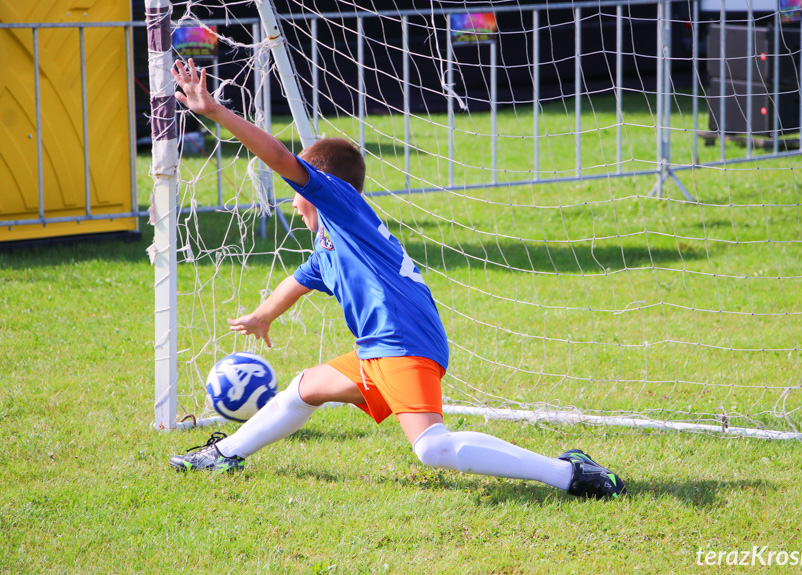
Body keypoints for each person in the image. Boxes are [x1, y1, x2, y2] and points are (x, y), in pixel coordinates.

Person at [167, 58, 627, 499]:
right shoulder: (333, 244)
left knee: (433, 447)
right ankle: (224, 454)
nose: (292, 202)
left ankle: (570, 474)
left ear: (319, 185)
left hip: (399, 338)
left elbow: (279, 157)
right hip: (380, 345)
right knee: (305, 388)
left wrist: (215, 111)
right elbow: (299, 281)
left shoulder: (339, 202)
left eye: (297, 192)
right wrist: (263, 315)